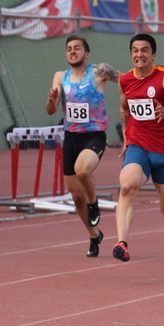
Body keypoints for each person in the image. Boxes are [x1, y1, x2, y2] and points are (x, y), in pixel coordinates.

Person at [114, 33, 164, 262]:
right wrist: (128, 139)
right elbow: (123, 111)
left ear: (153, 54)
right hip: (139, 146)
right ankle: (121, 243)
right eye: (135, 50)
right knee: (127, 185)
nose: (140, 55)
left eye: (145, 50)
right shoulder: (125, 80)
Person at [45, 35, 120, 257]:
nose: (72, 51)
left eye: (77, 48)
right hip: (71, 138)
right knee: (76, 197)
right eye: (69, 48)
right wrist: (51, 99)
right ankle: (94, 235)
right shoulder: (61, 76)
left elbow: (127, 80)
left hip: (94, 136)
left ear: (86, 53)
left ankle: (94, 203)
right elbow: (51, 110)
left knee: (83, 170)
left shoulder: (99, 71)